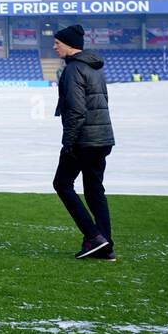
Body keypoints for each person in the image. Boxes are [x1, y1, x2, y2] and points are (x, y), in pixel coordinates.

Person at [52, 25, 117, 260]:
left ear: (69, 44)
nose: (54, 46)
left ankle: (94, 237)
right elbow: (103, 101)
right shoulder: (94, 68)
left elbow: (76, 111)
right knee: (94, 190)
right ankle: (105, 246)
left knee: (62, 183)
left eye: (57, 43)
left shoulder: (73, 70)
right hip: (102, 138)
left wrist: (68, 143)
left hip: (83, 140)